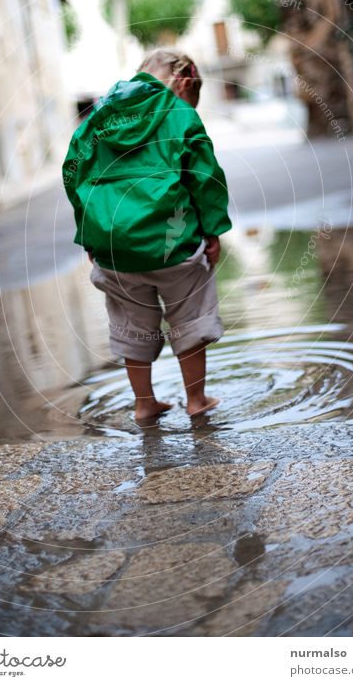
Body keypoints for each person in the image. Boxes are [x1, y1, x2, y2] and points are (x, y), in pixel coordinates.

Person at [62, 47, 232, 423]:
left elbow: (73, 173)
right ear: (184, 79)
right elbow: (204, 177)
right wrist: (213, 229)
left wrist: (89, 232)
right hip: (174, 243)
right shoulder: (180, 114)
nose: (188, 103)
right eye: (190, 97)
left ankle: (144, 404)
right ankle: (196, 400)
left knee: (129, 324)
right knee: (190, 316)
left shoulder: (99, 116)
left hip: (113, 248)